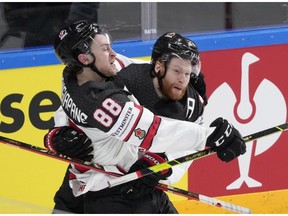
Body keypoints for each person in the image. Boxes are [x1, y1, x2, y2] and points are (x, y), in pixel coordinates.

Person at [44, 20, 246, 213]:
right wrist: (209, 137)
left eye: (188, 72)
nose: (183, 79)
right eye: (177, 70)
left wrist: (161, 165)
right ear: (159, 67)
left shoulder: (105, 68)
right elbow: (153, 130)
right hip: (90, 182)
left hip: (130, 191)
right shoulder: (120, 82)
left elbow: (183, 153)